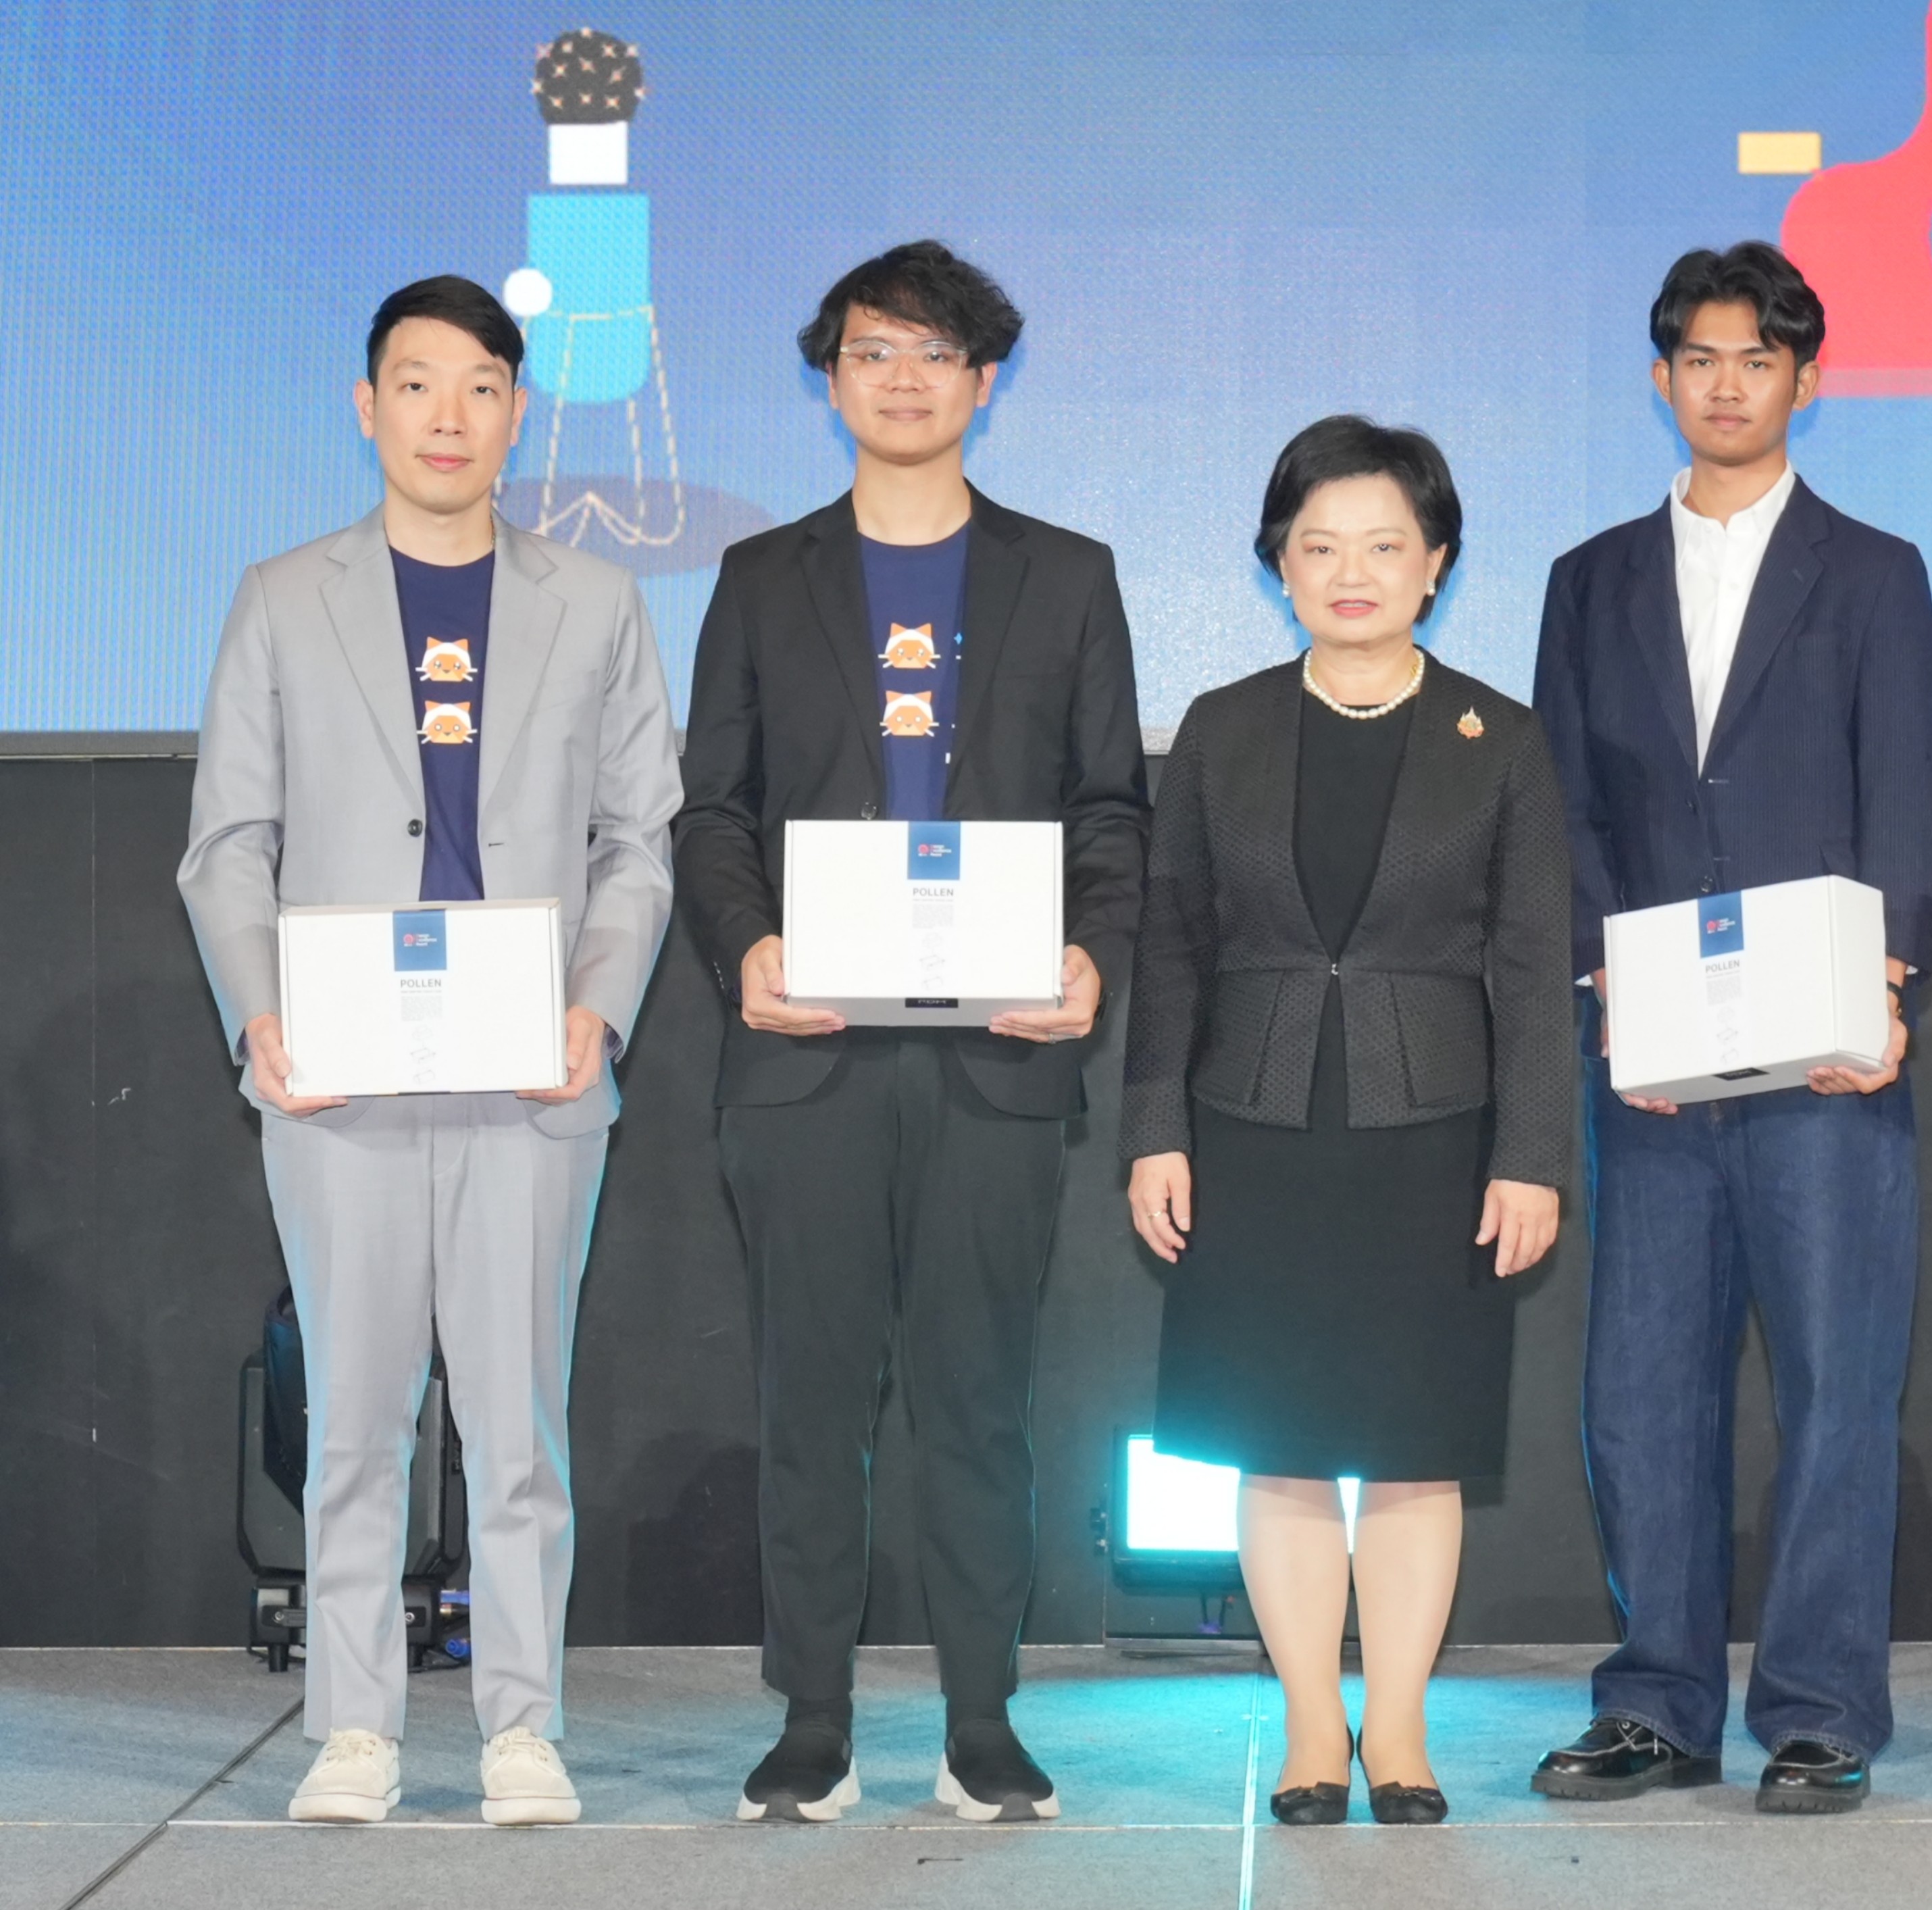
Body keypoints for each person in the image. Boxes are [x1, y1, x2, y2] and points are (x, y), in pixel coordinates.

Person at [178, 276, 682, 1826]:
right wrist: (262, 1014)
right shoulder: (284, 596)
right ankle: (355, 1729)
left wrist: (596, 1003)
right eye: (415, 384)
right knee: (353, 1421)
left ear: (516, 413)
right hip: (341, 1077)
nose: (446, 416)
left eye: (478, 388)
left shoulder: (596, 601)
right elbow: (228, 842)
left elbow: (639, 839)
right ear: (367, 405)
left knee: (519, 1428)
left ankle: (522, 1728)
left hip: (531, 1077)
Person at [676, 241, 1148, 1825]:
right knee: (809, 1406)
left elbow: (1109, 807)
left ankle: (980, 1720)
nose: (902, 378)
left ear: (983, 383)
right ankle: (810, 1719)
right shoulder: (762, 577)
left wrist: (1089, 956)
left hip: (995, 1054)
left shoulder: (1064, 576)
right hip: (804, 1057)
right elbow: (712, 809)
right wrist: (743, 946)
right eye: (872, 350)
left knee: (977, 1405)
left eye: (935, 353)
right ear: (831, 380)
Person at [1530, 243, 1932, 1814]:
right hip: (1652, 1057)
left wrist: (1883, 986)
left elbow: (1900, 792)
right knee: (1641, 1387)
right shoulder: (1589, 580)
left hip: (1828, 1050)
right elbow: (1562, 803)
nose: (1725, 385)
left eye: (1755, 360)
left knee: (1837, 1383)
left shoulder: (1873, 572)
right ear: (1661, 379)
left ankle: (1821, 1707)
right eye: (1698, 359)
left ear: (1803, 381)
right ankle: (1654, 1701)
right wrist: (1602, 979)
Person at [1121, 416, 1573, 1826]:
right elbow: (1172, 945)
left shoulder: (1499, 737)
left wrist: (1531, 1156)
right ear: (1280, 566)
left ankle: (1402, 1728)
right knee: (1279, 1441)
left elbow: (1530, 967)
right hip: (1249, 1124)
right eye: (1319, 546)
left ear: (1435, 564)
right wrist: (1153, 1126)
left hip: (1436, 1132)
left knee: (1416, 1443)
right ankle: (1314, 1725)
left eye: (1384, 545)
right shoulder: (1223, 728)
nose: (1352, 572)